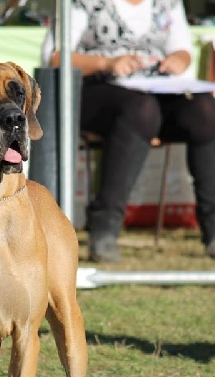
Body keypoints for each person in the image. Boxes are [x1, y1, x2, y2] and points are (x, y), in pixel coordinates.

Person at [42, 0, 215, 262]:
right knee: (140, 110)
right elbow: (55, 56)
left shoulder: (166, 3)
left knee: (205, 110)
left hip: (156, 91)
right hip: (96, 92)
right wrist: (107, 64)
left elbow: (182, 50)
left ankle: (213, 229)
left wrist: (179, 60)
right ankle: (105, 228)